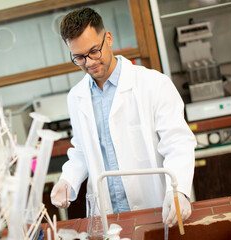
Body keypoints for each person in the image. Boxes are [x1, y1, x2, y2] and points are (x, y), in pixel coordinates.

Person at [50, 7, 197, 228]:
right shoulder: (76, 97)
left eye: (93, 51)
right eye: (79, 57)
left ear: (107, 38)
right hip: (108, 217)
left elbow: (178, 144)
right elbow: (82, 150)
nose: (89, 63)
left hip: (155, 207)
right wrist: (67, 179)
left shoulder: (153, 84)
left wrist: (179, 191)